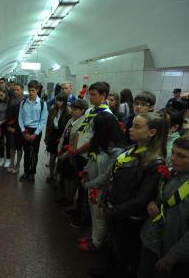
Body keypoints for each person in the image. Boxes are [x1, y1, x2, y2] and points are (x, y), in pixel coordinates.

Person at [99, 112, 169, 278]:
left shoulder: (155, 161)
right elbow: (114, 177)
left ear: (151, 132)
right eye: (132, 125)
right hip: (116, 208)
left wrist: (110, 212)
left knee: (124, 255)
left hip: (128, 217)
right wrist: (105, 200)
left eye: (137, 127)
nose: (130, 129)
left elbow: (141, 200)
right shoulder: (132, 149)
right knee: (113, 247)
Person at [139, 132, 189, 278]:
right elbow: (161, 198)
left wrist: (171, 258)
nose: (172, 158)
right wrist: (152, 203)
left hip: (171, 254)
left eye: (181, 156)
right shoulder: (172, 173)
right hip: (151, 241)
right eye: (173, 152)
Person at [78, 112, 126, 252]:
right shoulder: (100, 143)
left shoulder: (117, 150)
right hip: (92, 184)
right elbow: (91, 160)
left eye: (94, 127)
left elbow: (107, 176)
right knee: (94, 214)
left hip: (102, 189)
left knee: (100, 218)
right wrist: (85, 174)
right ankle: (94, 237)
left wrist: (89, 184)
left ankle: (97, 243)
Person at [68, 81, 113, 228]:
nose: (90, 97)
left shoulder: (106, 115)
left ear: (103, 95)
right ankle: (78, 210)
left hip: (90, 155)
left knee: (87, 187)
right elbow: (81, 130)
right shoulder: (90, 111)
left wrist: (78, 150)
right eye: (89, 94)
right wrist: (73, 146)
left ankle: (84, 218)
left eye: (93, 95)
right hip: (80, 153)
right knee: (80, 186)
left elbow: (95, 139)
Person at [57, 99, 89, 208]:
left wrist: (65, 154)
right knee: (64, 176)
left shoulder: (83, 123)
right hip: (63, 151)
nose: (71, 110)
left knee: (72, 177)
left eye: (75, 109)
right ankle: (65, 195)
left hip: (72, 154)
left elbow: (76, 143)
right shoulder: (70, 120)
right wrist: (59, 148)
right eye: (71, 108)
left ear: (82, 111)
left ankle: (70, 197)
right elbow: (63, 136)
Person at [18, 80, 48, 182]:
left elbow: (43, 121)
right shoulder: (23, 103)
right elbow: (20, 118)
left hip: (36, 130)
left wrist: (35, 134)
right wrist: (23, 131)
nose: (31, 93)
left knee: (34, 153)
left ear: (37, 90)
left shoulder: (42, 104)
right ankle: (26, 171)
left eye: (33, 90)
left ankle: (32, 173)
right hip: (26, 130)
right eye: (29, 90)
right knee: (26, 152)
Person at [44, 91, 72, 181]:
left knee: (60, 158)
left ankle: (56, 174)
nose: (59, 103)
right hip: (53, 135)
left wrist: (63, 138)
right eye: (58, 101)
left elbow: (68, 127)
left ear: (65, 101)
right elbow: (48, 124)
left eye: (61, 101)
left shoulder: (68, 112)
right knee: (52, 157)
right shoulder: (53, 109)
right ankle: (51, 173)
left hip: (62, 136)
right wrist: (46, 137)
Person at [6, 82, 25, 173]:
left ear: (22, 90)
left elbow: (22, 116)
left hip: (20, 128)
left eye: (18, 90)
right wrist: (8, 126)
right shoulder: (11, 99)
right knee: (12, 146)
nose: (15, 91)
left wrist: (16, 128)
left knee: (19, 147)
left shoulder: (24, 101)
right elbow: (8, 113)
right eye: (14, 90)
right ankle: (11, 163)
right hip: (10, 126)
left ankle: (17, 165)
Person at [0, 87, 11, 167]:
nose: (0, 97)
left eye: (1, 95)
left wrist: (2, 121)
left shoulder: (9, 102)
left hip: (7, 123)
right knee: (0, 142)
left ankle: (8, 159)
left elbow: (9, 114)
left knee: (8, 142)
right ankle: (1, 158)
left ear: (5, 94)